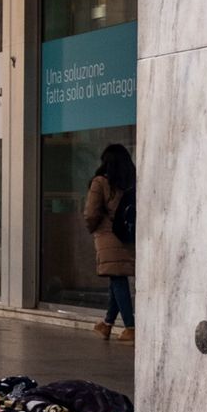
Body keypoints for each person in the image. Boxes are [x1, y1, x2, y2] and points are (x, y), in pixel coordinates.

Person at [84, 143, 137, 342]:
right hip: (128, 234)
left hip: (107, 235)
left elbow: (91, 212)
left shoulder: (100, 182)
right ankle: (107, 324)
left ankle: (131, 328)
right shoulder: (131, 182)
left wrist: (92, 228)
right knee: (116, 277)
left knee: (117, 279)